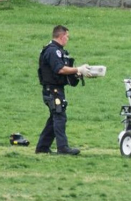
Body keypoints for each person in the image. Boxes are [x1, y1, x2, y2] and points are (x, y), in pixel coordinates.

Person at [35, 25, 92, 155]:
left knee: (54, 117)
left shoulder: (57, 50)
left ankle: (42, 148)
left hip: (55, 88)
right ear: (61, 36)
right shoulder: (53, 51)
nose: (67, 39)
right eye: (67, 36)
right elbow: (60, 69)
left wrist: (78, 74)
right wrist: (78, 69)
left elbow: (62, 71)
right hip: (52, 89)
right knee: (60, 116)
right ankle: (63, 148)